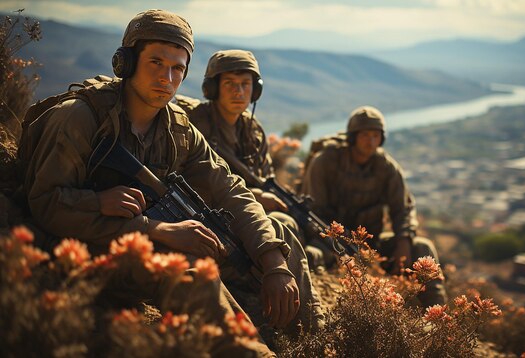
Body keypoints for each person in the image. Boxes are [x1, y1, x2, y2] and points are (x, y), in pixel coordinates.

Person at [21, 10, 315, 355]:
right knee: (191, 268)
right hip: (89, 250)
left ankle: (313, 343)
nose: (167, 77)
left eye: (178, 68)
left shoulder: (178, 128)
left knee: (281, 238)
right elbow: (45, 203)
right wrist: (151, 229)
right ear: (126, 63)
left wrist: (273, 262)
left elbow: (230, 189)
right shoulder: (81, 117)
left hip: (147, 240)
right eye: (156, 63)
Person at [177, 49, 326, 269]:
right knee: (283, 224)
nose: (238, 92)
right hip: (206, 212)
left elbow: (265, 176)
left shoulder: (252, 131)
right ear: (212, 88)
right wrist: (256, 196)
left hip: (247, 212)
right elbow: (186, 180)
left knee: (291, 224)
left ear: (255, 90)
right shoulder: (193, 121)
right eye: (230, 84)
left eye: (245, 84)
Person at [301, 105, 448, 307]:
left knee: (423, 247)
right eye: (365, 135)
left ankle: (436, 314)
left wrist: (403, 241)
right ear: (352, 137)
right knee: (311, 254)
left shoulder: (386, 167)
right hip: (331, 243)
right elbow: (314, 210)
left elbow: (403, 209)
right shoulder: (325, 162)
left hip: (372, 246)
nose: (371, 142)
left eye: (375, 136)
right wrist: (337, 244)